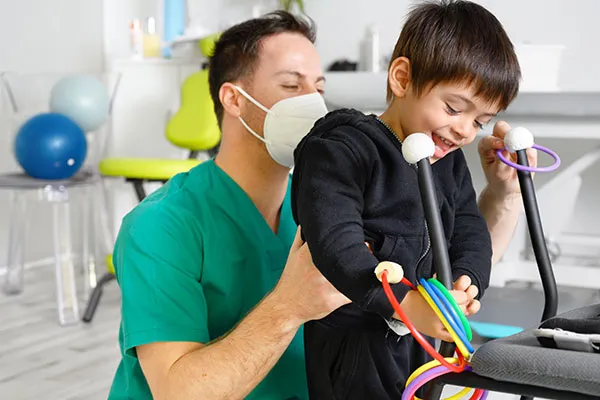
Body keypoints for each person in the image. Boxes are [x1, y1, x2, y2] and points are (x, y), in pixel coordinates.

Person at [107, 9, 535, 400]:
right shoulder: (162, 225)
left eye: (319, 87)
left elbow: (447, 251)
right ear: (234, 99)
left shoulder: (339, 195)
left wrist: (505, 193)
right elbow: (178, 393)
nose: (311, 102)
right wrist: (288, 307)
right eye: (291, 85)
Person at [290, 1, 522, 398]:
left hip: (421, 344)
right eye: (454, 108)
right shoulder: (341, 148)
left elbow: (469, 228)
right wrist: (405, 305)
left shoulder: (448, 162)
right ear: (402, 78)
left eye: (480, 121)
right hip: (355, 347)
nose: (466, 131)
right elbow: (335, 244)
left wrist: (468, 281)